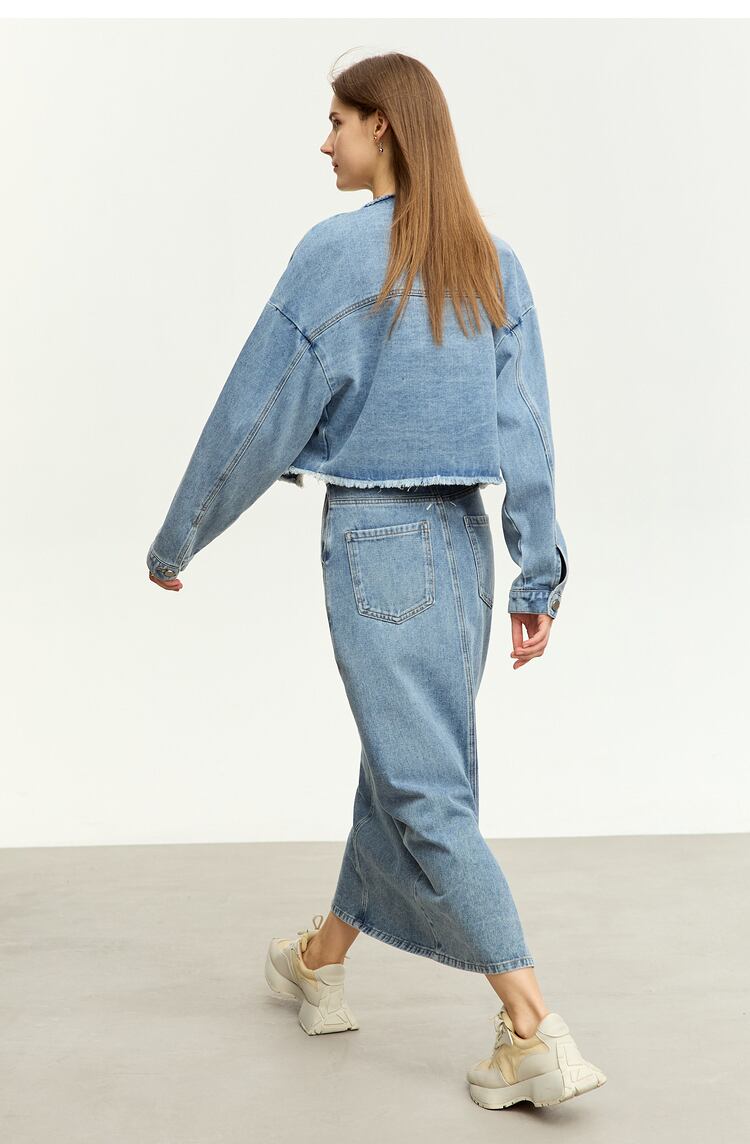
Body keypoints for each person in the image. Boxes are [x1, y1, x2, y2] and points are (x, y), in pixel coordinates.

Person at [146, 51, 606, 1111]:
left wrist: (179, 538)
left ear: (384, 126)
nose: (326, 142)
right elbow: (528, 431)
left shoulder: (336, 254)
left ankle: (532, 1027)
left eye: (338, 121)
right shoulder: (493, 261)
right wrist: (537, 575)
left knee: (422, 787)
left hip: (378, 542)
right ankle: (320, 960)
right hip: (466, 548)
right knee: (401, 764)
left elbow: (256, 412)